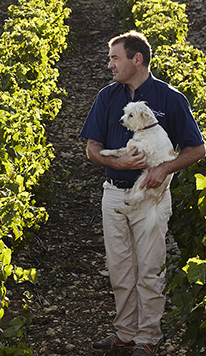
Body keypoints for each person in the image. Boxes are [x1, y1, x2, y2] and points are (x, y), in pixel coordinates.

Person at [80, 30, 205, 356]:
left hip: (151, 197)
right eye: (110, 58)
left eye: (114, 58)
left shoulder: (169, 99)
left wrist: (164, 168)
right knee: (120, 269)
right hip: (114, 196)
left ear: (138, 59)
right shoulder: (107, 97)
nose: (110, 65)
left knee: (149, 268)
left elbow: (197, 148)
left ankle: (147, 338)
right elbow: (92, 148)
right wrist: (117, 162)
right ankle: (124, 332)